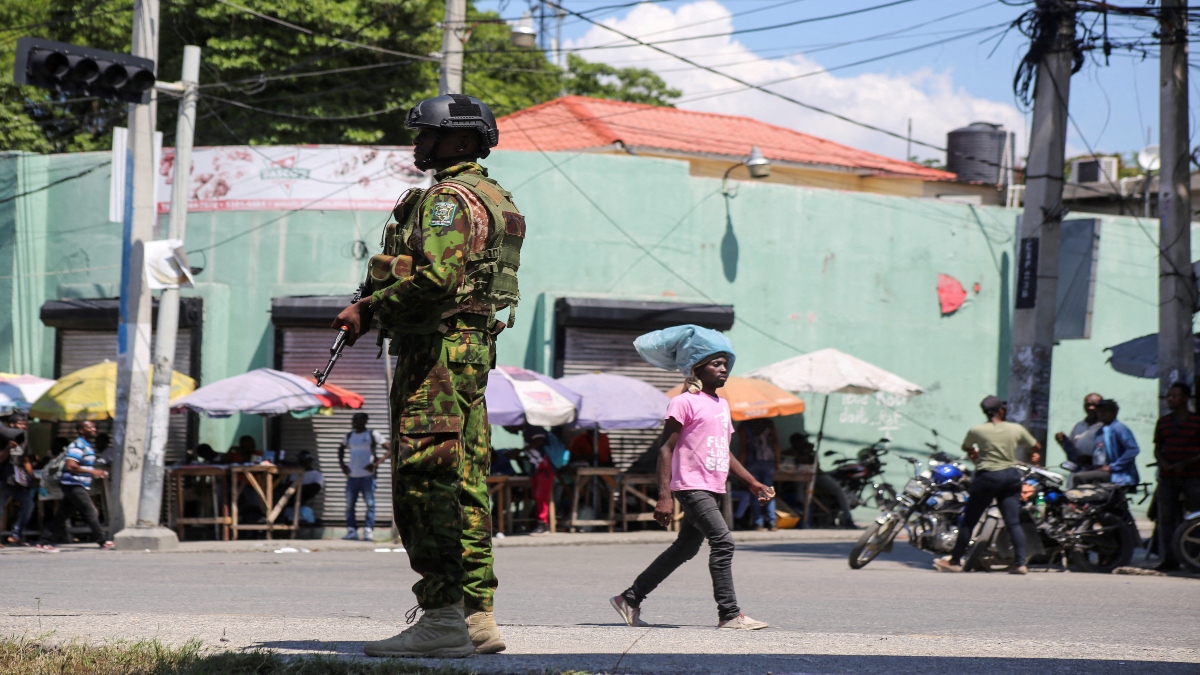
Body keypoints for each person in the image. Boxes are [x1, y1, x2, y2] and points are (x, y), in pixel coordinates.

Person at [335, 94, 520, 658]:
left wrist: (370, 309)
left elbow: (438, 277)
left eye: (427, 136)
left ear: (461, 141)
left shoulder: (447, 201)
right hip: (468, 352)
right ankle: (475, 615)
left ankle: (441, 616)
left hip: (436, 353)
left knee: (425, 478)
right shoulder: (495, 197)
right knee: (463, 479)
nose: (417, 145)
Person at [610, 325, 772, 630]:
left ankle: (629, 599)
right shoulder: (683, 402)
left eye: (725, 363)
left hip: (713, 487)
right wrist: (664, 496)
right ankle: (729, 614)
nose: (724, 369)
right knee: (723, 542)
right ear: (697, 368)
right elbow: (665, 450)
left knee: (685, 548)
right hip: (691, 486)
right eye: (716, 363)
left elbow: (725, 451)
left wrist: (752, 482)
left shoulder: (722, 405)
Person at [934, 396, 1041, 575]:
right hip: (1010, 476)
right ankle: (1020, 563)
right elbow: (1035, 445)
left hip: (987, 477)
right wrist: (1033, 455)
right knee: (1013, 522)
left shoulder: (977, 430)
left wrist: (975, 454)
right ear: (1001, 410)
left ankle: (954, 561)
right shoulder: (1015, 429)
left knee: (969, 521)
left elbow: (967, 447)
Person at [37, 421, 111, 551]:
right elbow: (71, 466)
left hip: (76, 484)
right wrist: (93, 471)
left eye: (94, 426)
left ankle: (43, 541)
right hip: (72, 484)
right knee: (90, 511)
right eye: (89, 427)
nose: (94, 429)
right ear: (81, 430)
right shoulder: (77, 445)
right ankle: (102, 541)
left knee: (62, 515)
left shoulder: (86, 445)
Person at [1152, 383, 1200, 571]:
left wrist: (1186, 463)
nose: (1170, 399)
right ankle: (1170, 559)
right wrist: (1162, 462)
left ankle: (1194, 556)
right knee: (1166, 519)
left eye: (1174, 395)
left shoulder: (1196, 421)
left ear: (1185, 398)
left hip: (1193, 476)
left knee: (1196, 519)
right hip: (1168, 477)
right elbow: (1157, 448)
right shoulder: (1163, 422)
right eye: (1168, 395)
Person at [790, 432, 856, 529]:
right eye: (800, 441)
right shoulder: (792, 452)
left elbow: (814, 464)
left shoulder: (810, 449)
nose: (804, 442)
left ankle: (847, 518)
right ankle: (801, 511)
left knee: (838, 491)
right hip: (802, 476)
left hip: (818, 475)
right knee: (800, 490)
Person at [338, 412, 386, 541]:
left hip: (367, 477)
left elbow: (389, 448)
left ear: (364, 420)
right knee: (349, 505)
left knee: (370, 504)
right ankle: (352, 530)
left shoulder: (372, 434)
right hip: (352, 476)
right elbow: (341, 449)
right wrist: (342, 466)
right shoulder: (349, 436)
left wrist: (375, 464)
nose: (354, 421)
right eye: (353, 419)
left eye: (357, 419)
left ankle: (368, 530)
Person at [1073, 399, 1140, 487]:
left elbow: (1133, 449)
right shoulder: (1100, 431)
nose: (1101, 414)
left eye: (1105, 411)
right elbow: (1101, 453)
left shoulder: (1119, 428)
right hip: (1100, 469)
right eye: (1099, 411)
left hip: (1117, 474)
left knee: (1080, 478)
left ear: (1114, 413)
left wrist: (1113, 467)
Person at [737, 418, 780, 531]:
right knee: (769, 491)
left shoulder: (744, 425)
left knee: (755, 492)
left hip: (751, 462)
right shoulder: (768, 423)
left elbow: (743, 447)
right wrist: (778, 461)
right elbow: (775, 442)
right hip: (768, 461)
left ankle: (758, 523)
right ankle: (772, 522)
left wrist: (739, 467)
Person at [0, 413, 36, 546]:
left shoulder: (23, 440)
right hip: (3, 479)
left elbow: (26, 460)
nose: (23, 427)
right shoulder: (3, 440)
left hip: (17, 480)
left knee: (28, 505)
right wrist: (8, 449)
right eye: (20, 424)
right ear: (12, 425)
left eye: (25, 424)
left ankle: (16, 534)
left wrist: (32, 478)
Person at [1055, 393, 1103, 471]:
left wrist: (1090, 459)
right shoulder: (1078, 426)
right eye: (1088, 405)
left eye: (1095, 405)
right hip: (1077, 472)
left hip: (1096, 473)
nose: (1090, 408)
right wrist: (1063, 441)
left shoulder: (1105, 428)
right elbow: (1072, 452)